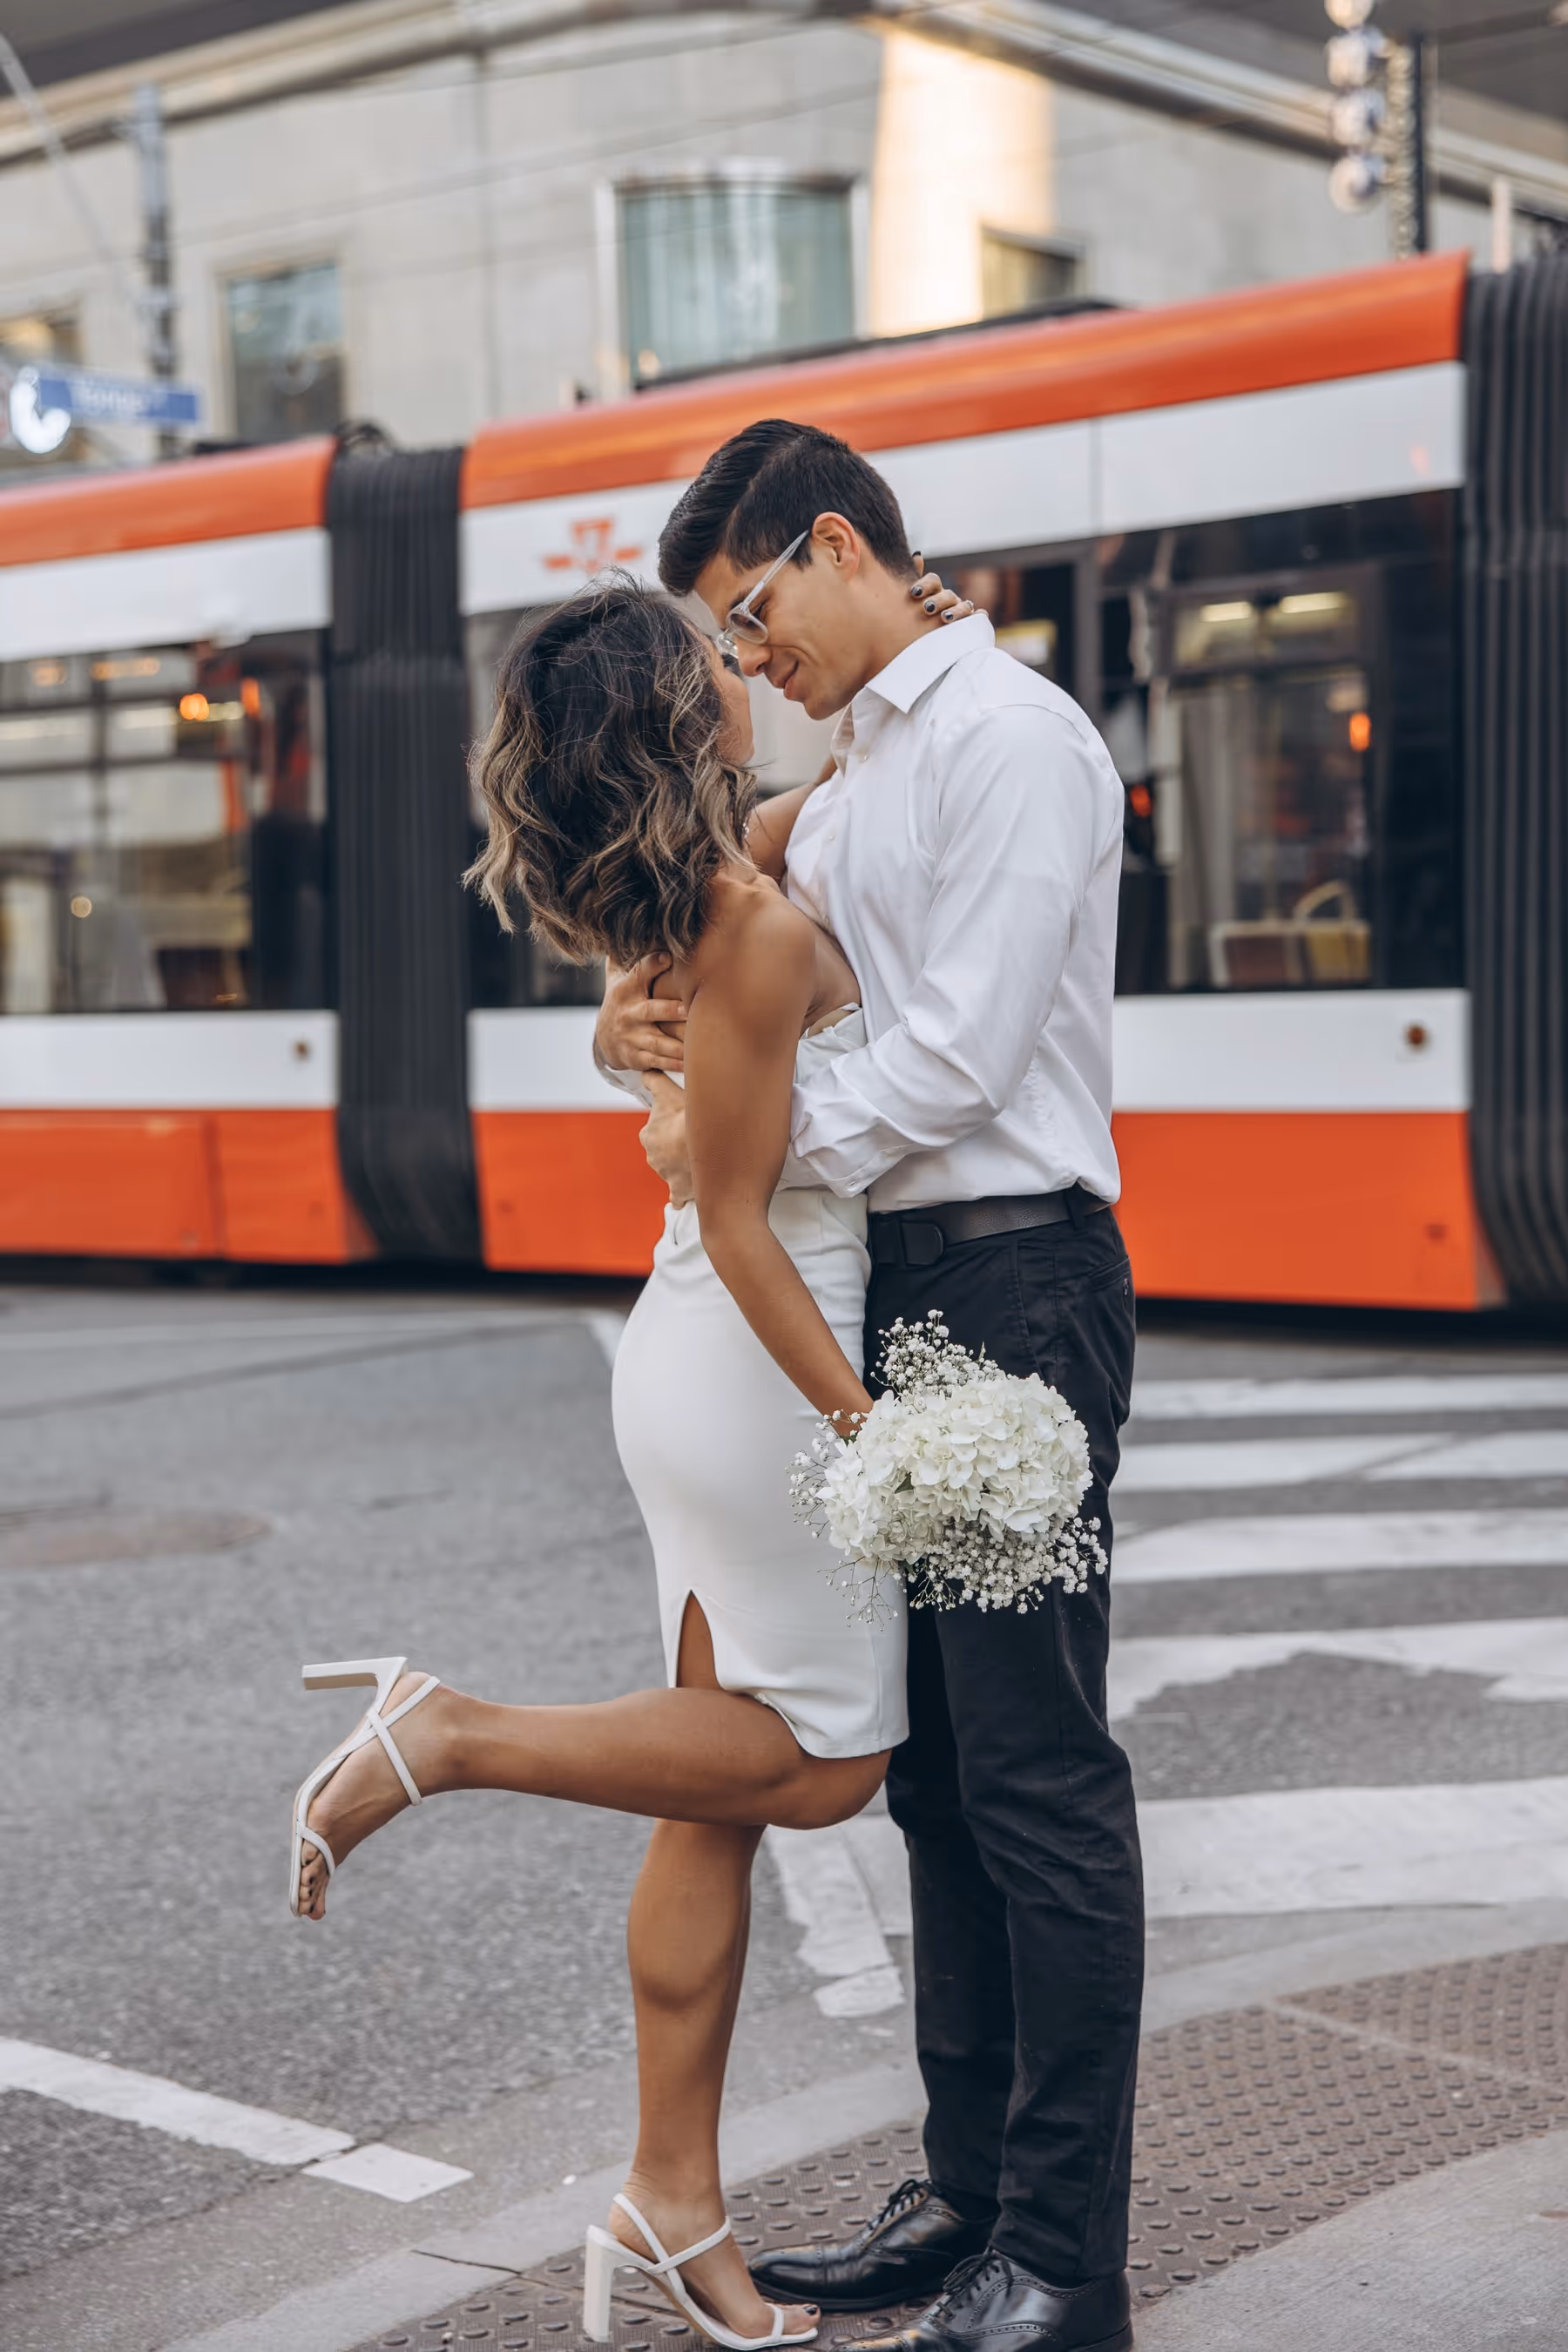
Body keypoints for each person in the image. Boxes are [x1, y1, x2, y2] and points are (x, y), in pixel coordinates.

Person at [285, 561, 969, 2352]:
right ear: (679, 725)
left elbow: (838, 800)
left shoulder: (696, 896)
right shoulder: (742, 922)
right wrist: (872, 1435)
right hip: (751, 1357)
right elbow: (743, 1221)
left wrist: (929, 641)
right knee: (819, 1771)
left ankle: (672, 2201)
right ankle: (451, 1732)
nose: (741, 670)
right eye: (711, 664)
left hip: (694, 1357)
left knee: (712, 1797)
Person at [598, 420, 1140, 2352]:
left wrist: (728, 1147)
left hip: (1013, 1283)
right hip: (903, 1291)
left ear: (838, 544)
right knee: (936, 1790)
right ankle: (974, 2197)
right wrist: (643, 1022)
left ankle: (1064, 2260)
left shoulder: (1012, 742)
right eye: (729, 649)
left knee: (1040, 1778)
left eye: (752, 620)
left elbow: (963, 1067)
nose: (750, 668)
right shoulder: (856, 773)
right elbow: (738, 946)